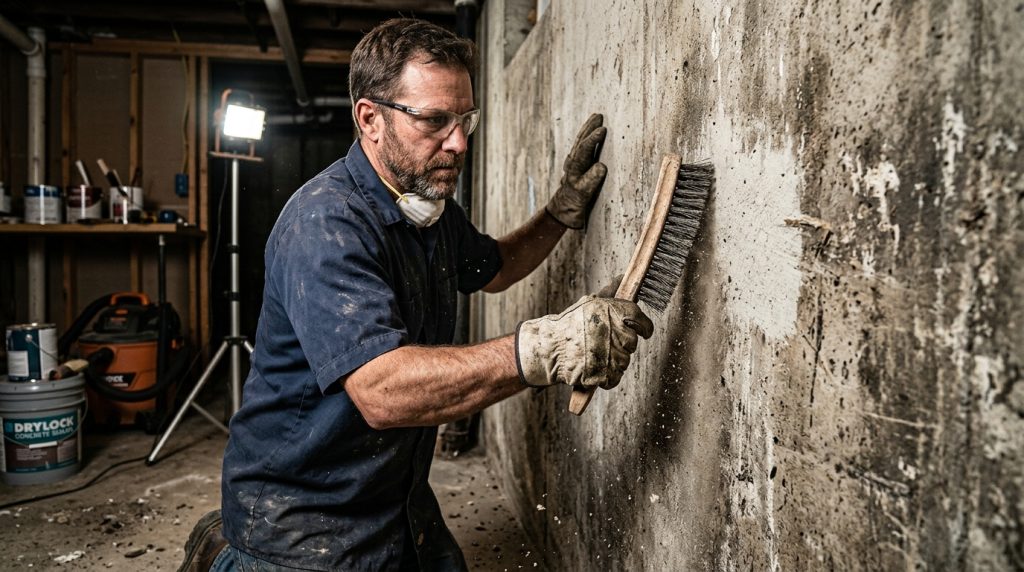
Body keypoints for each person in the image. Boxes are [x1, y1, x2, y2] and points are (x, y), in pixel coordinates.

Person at [178, 18, 653, 572]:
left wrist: (559, 212)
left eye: (465, 119)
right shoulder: (325, 223)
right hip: (303, 523)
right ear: (370, 119)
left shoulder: (426, 208)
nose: (458, 142)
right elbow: (383, 391)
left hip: (392, 499)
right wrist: (544, 348)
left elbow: (494, 267)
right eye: (434, 120)